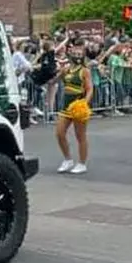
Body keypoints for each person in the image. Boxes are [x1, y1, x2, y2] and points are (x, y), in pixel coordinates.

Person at [52, 43, 93, 175]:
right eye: (75, 54)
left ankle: (82, 163)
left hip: (78, 105)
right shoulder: (66, 69)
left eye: (80, 55)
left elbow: (90, 89)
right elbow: (56, 79)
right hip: (66, 105)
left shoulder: (84, 71)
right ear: (70, 55)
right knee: (59, 133)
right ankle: (67, 159)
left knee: (80, 135)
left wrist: (85, 103)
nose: (77, 57)